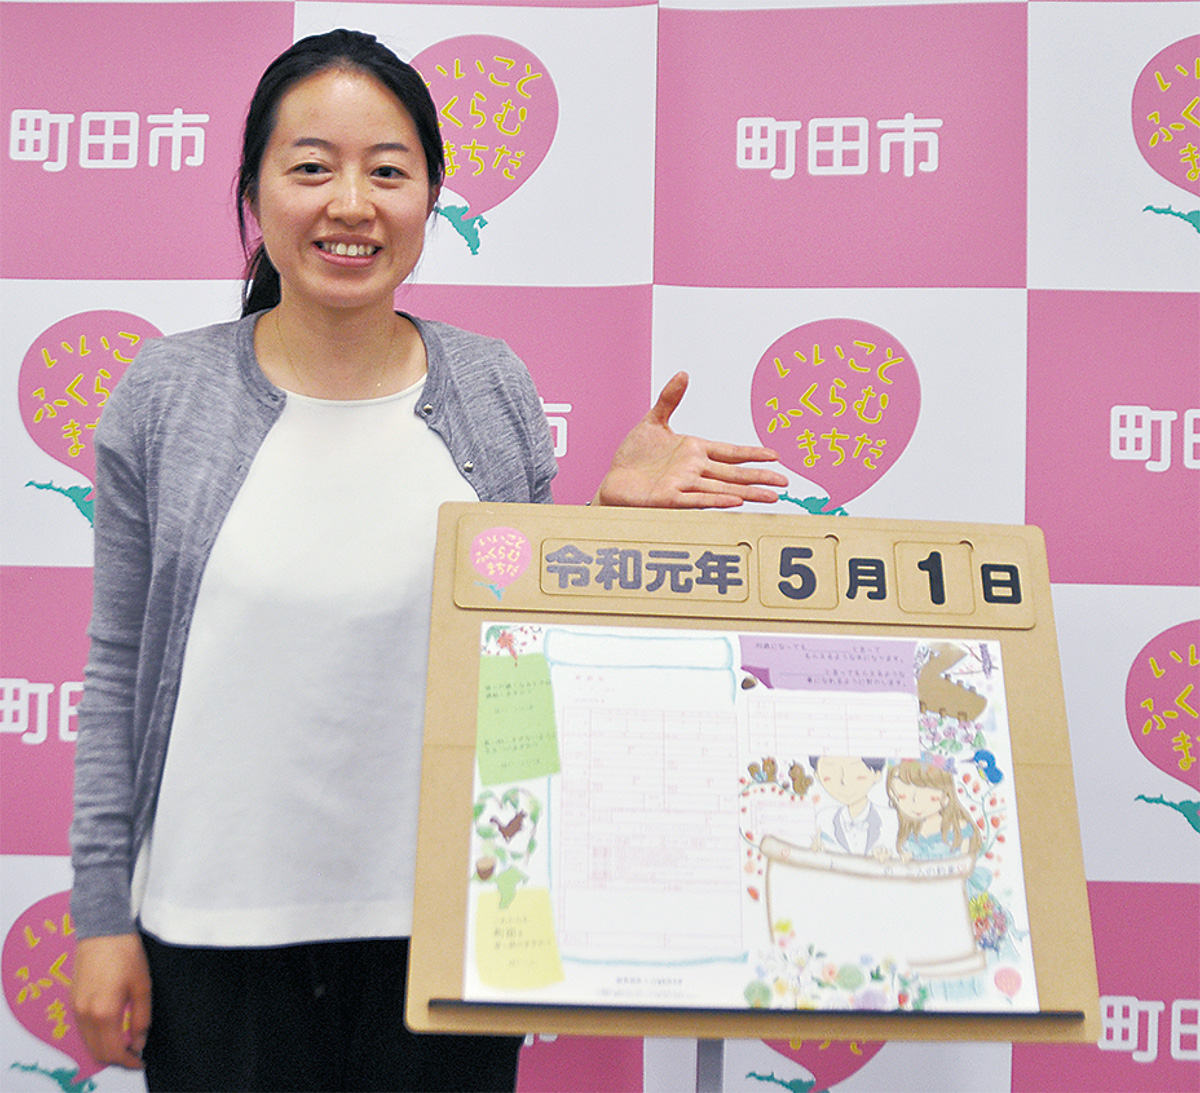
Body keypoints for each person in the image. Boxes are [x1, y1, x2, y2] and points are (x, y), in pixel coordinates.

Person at [67, 28, 786, 1093]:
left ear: (432, 198)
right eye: (312, 167)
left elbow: (526, 655)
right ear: (253, 194)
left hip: (452, 927)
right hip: (210, 933)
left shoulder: (489, 387)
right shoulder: (168, 395)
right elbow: (117, 669)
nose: (351, 203)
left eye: (388, 171)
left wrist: (605, 521)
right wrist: (100, 917)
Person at [886, 759, 983, 862]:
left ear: (947, 795)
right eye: (902, 797)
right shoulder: (909, 830)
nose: (915, 805)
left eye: (930, 798)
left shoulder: (958, 828)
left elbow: (966, 862)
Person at [809, 754, 896, 860]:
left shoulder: (891, 818)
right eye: (829, 777)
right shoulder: (823, 818)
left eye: (858, 776)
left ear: (877, 775)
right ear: (818, 776)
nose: (844, 782)